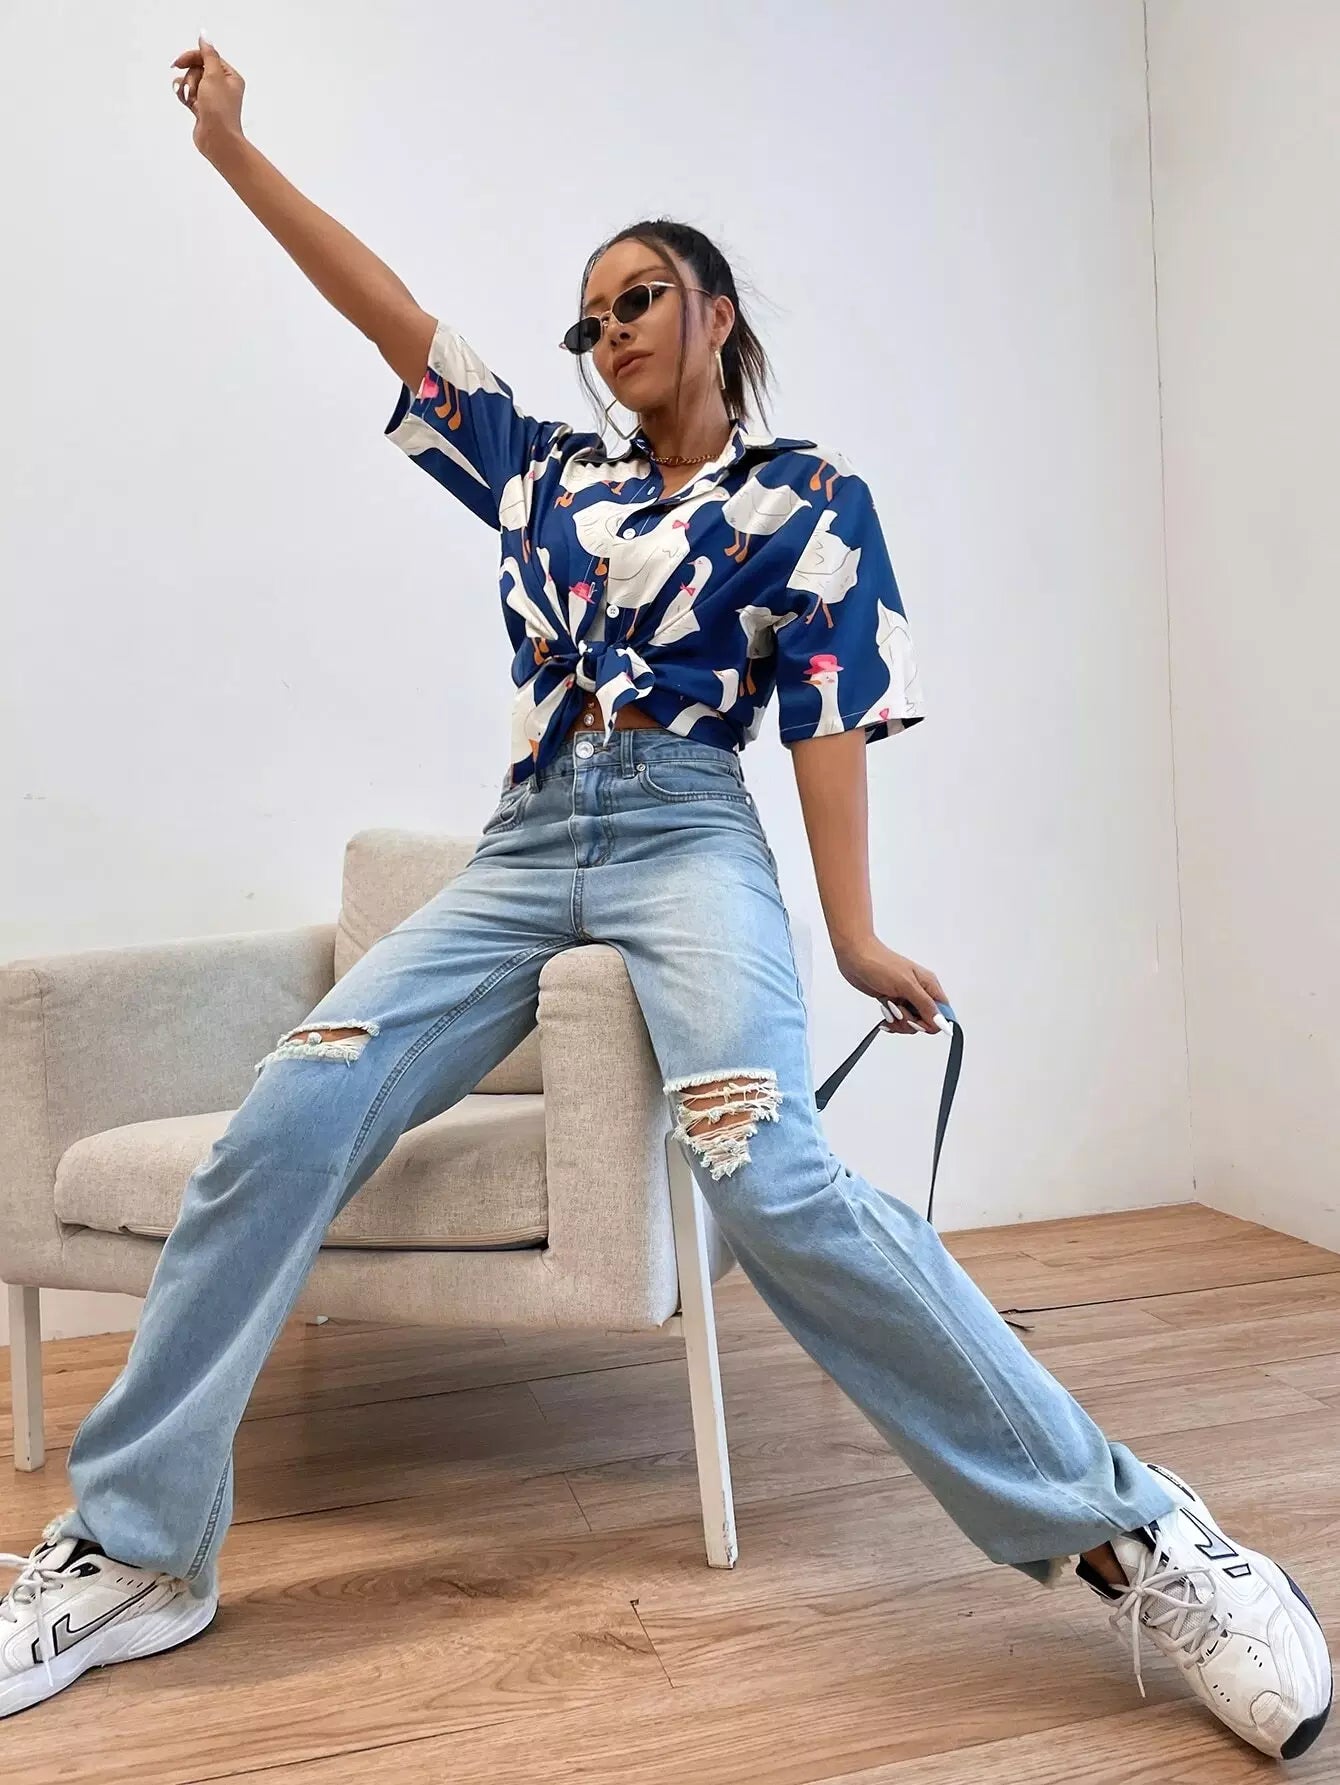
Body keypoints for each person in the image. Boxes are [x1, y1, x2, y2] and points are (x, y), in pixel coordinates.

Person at [1, 37, 1330, 1760]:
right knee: (286, 1112)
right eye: (587, 318)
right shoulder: (542, 472)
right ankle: (137, 1548)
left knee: (767, 1168)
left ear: (714, 313)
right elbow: (391, 316)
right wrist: (235, 156)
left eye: (636, 298)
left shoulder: (807, 499)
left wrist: (853, 930)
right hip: (524, 845)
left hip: (692, 829)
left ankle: (1140, 1537)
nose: (608, 330)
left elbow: (830, 714)